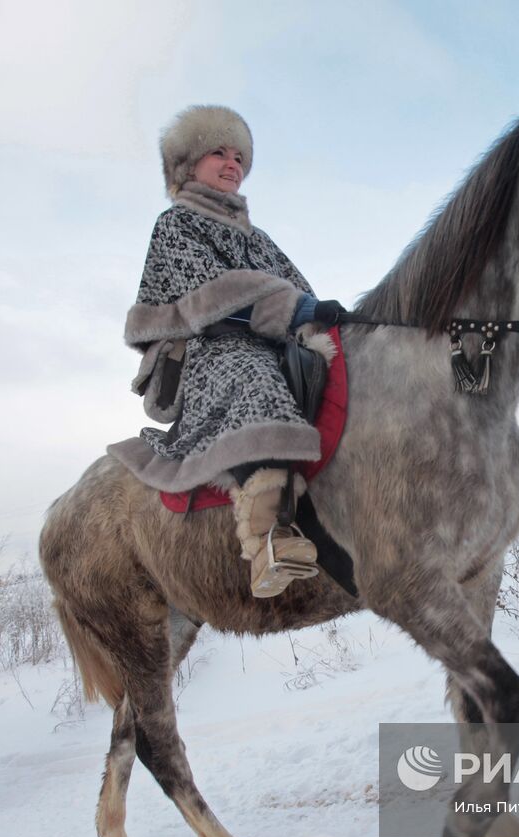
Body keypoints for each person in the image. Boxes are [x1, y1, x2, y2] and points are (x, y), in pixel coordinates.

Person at [112, 105, 345, 598]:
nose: (231, 163)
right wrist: (293, 309)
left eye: (238, 155)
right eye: (217, 152)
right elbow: (212, 303)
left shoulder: (257, 238)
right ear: (186, 166)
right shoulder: (175, 225)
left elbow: (296, 289)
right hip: (209, 353)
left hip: (273, 343)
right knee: (253, 372)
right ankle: (268, 539)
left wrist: (319, 315)